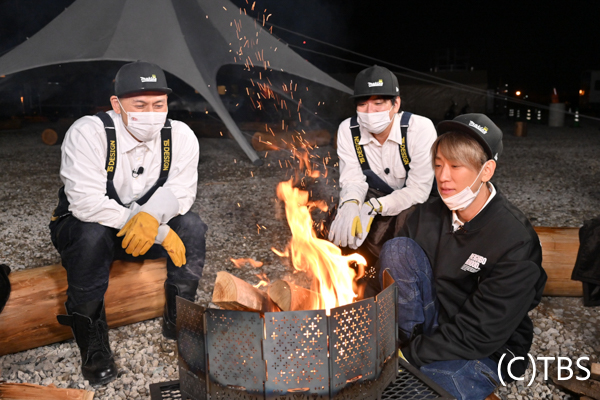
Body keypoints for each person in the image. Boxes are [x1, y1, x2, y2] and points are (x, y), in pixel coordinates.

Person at [49, 61, 206, 385]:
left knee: (192, 226)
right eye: (140, 104)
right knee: (90, 236)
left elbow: (182, 190)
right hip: (87, 225)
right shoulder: (88, 133)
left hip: (140, 232)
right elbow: (86, 203)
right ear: (117, 104)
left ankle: (179, 317)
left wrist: (151, 217)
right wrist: (158, 229)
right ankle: (93, 344)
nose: (151, 112)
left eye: (158, 104)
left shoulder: (180, 137)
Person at [380, 114, 547, 400]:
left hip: (487, 348)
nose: (443, 177)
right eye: (439, 165)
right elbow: (396, 278)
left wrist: (407, 357)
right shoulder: (425, 215)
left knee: (410, 393)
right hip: (434, 327)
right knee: (397, 250)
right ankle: (402, 348)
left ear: (486, 171)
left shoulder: (515, 240)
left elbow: (481, 333)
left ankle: (415, 363)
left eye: (456, 166)